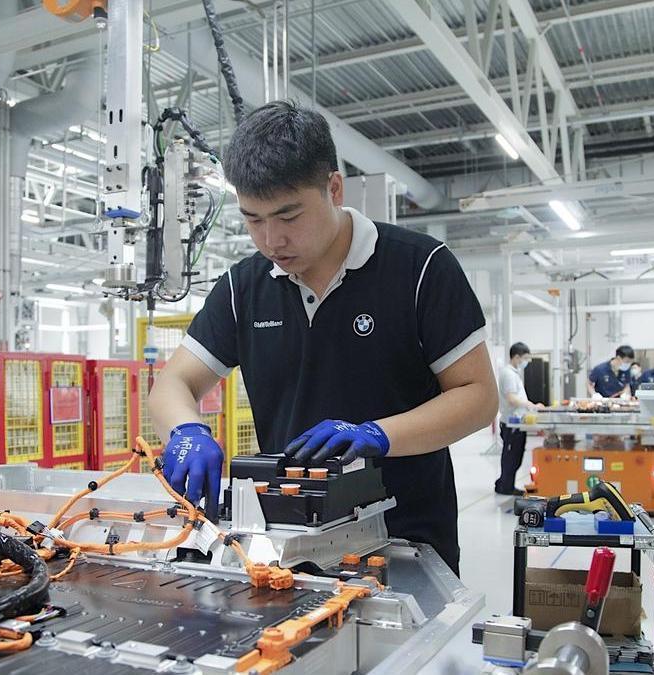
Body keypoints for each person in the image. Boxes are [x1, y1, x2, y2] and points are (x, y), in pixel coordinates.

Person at [146, 101, 500, 576]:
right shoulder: (243, 287)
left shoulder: (420, 269)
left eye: (289, 216)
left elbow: (478, 396)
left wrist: (378, 435)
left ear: (333, 188)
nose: (271, 240)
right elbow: (173, 384)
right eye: (254, 219)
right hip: (285, 549)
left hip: (407, 544)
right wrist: (186, 431)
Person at [494, 342, 545, 495]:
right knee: (511, 457)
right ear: (516, 357)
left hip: (516, 423)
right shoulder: (508, 374)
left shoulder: (513, 373)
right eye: (525, 359)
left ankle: (503, 483)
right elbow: (511, 398)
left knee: (515, 456)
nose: (527, 362)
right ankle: (505, 487)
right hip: (511, 424)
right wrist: (532, 405)